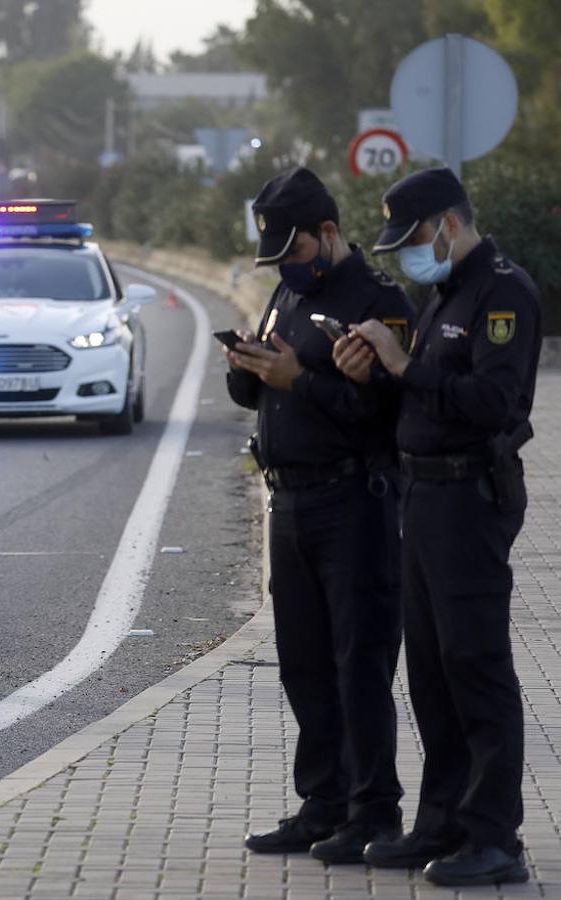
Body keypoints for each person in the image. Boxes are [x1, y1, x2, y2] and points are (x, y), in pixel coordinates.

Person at [333, 167, 540, 886]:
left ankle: (494, 837)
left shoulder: (500, 291)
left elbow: (491, 399)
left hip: (469, 498)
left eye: (412, 238)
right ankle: (441, 820)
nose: (404, 254)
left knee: (474, 666)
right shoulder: (442, 292)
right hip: (420, 497)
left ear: (447, 225)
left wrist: (401, 363)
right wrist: (375, 375)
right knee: (428, 670)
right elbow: (424, 392)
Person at [228, 167, 416, 863]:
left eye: (295, 252)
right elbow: (263, 396)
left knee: (357, 662)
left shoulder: (377, 303)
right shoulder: (287, 289)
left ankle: (373, 811)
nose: (286, 267)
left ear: (327, 233)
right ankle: (322, 802)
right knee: (302, 663)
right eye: (276, 257)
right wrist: (248, 367)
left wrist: (298, 380)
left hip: (353, 502)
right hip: (291, 499)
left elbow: (387, 418)